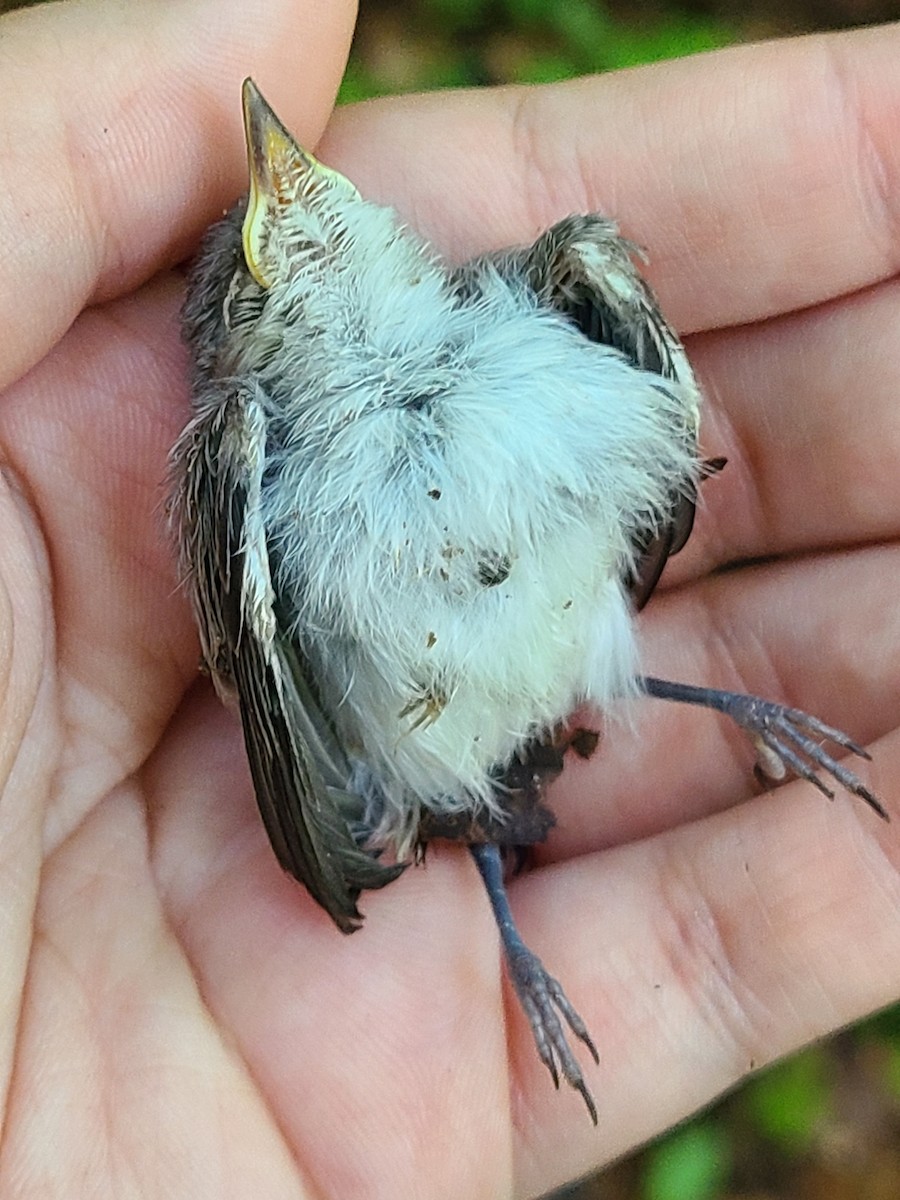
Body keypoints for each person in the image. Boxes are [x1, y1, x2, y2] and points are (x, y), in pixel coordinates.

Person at [0, 0, 897, 1195]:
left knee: (578, 653)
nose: (297, 197)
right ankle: (506, 921)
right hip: (425, 746)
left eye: (311, 187)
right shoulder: (248, 457)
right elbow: (282, 695)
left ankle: (737, 713)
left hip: (589, 639)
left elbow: (642, 532)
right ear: (246, 326)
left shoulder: (540, 294)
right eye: (270, 241)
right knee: (468, 787)